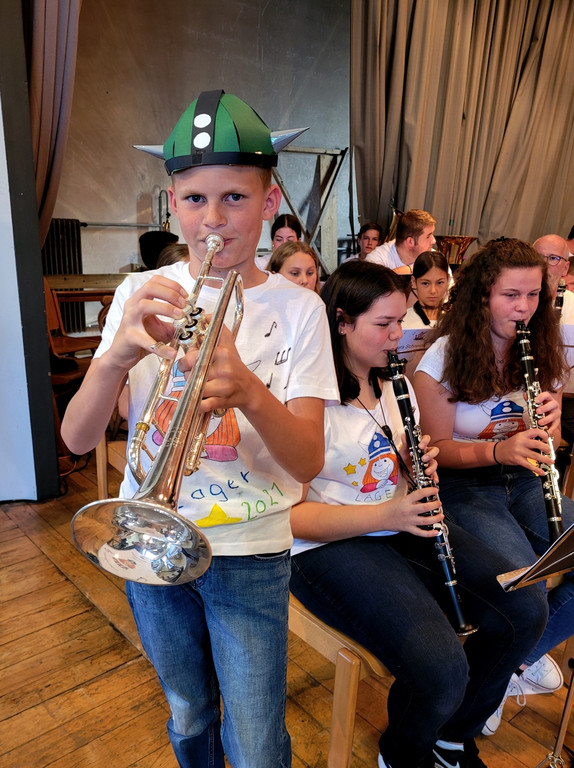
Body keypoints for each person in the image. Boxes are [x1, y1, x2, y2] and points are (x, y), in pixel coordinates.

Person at [61, 89, 339, 768]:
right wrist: (118, 357)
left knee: (254, 735)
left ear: (270, 201)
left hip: (250, 550)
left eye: (235, 199)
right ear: (172, 202)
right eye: (194, 200)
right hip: (148, 539)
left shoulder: (299, 310)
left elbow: (305, 462)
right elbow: (75, 438)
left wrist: (249, 390)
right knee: (187, 708)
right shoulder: (138, 293)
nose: (213, 219)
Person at [290, 259, 548, 768]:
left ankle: (452, 737)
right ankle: (403, 754)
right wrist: (389, 514)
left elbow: (398, 467)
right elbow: (292, 518)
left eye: (400, 321)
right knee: (440, 665)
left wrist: (415, 464)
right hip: (328, 546)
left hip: (399, 521)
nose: (398, 336)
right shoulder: (306, 400)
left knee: (523, 609)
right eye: (384, 325)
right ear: (341, 322)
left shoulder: (395, 386)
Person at [413, 237, 574, 736]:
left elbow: (557, 437)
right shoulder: (442, 357)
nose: (523, 308)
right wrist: (497, 450)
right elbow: (435, 448)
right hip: (465, 485)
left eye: (532, 296)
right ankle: (491, 675)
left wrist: (552, 422)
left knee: (559, 565)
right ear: (484, 296)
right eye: (511, 296)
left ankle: (510, 665)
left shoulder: (543, 348)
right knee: (522, 587)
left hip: (525, 476)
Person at [367, 209, 437, 274]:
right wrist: (416, 269)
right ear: (410, 241)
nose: (434, 241)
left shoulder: (435, 258)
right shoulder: (375, 259)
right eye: (428, 236)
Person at [401, 250, 450, 329]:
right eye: (425, 283)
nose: (433, 291)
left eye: (440, 282)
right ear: (413, 282)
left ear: (448, 280)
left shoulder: (455, 320)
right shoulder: (402, 322)